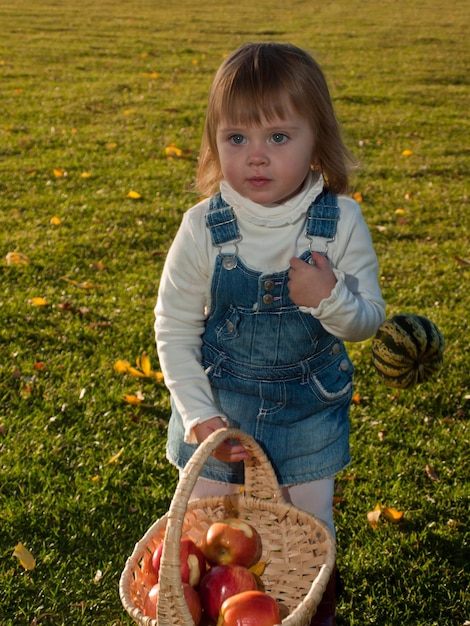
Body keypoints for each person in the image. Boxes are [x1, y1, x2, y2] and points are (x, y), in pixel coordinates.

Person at [154, 42, 386, 625]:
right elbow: (174, 325)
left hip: (307, 412)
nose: (256, 157)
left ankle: (310, 611)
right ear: (214, 143)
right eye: (237, 139)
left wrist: (328, 297)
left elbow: (367, 319)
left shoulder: (340, 222)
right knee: (205, 535)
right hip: (221, 407)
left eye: (278, 138)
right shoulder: (204, 227)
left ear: (316, 142)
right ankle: (202, 610)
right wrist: (198, 413)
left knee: (309, 534)